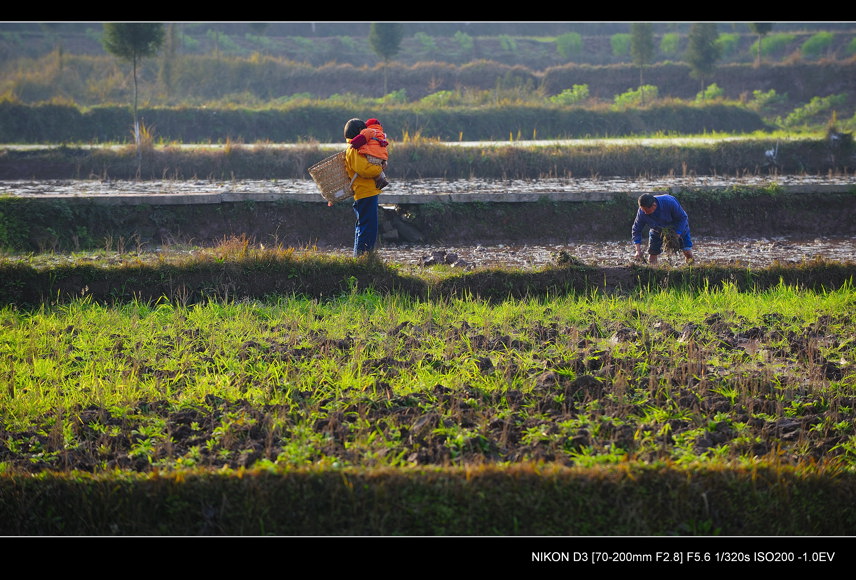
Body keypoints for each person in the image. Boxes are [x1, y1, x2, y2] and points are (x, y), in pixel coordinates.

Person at [343, 118, 385, 257]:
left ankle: (360, 257)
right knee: (368, 228)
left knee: (363, 226)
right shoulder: (354, 150)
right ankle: (363, 258)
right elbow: (364, 169)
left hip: (365, 192)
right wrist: (379, 169)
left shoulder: (355, 148)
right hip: (365, 192)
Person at [631, 193, 695, 265]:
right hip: (657, 230)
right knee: (652, 254)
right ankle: (653, 271)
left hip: (678, 228)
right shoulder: (641, 213)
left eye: (647, 210)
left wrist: (677, 234)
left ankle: (691, 269)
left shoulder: (669, 202)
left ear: (654, 206)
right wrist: (638, 250)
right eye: (643, 210)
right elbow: (636, 229)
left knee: (687, 252)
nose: (645, 213)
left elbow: (683, 218)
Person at [348, 117, 389, 190]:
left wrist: (354, 144)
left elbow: (362, 138)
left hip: (372, 156)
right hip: (382, 157)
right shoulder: (381, 134)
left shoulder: (369, 131)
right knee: (377, 166)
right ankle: (381, 179)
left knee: (372, 164)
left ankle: (380, 179)